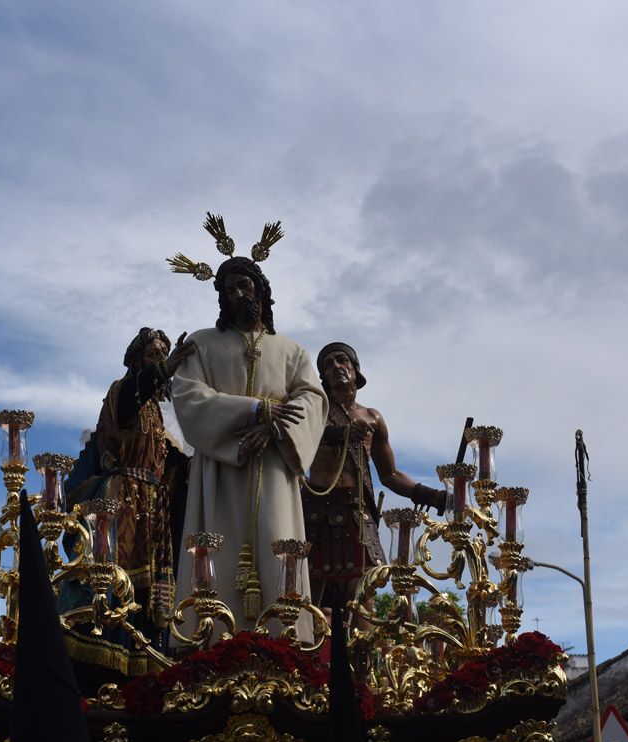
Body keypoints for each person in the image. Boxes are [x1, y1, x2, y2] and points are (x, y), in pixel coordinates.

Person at [172, 257, 327, 630]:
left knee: (279, 550)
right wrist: (257, 410)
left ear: (261, 288)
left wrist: (275, 429)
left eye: (245, 285)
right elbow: (190, 396)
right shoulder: (201, 344)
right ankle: (212, 641)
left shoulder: (292, 351)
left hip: (274, 466)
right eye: (231, 290)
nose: (240, 294)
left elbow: (313, 399)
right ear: (223, 299)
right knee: (215, 557)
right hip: (223, 466)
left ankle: (284, 642)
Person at [60, 327, 194, 676]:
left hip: (151, 504)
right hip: (122, 500)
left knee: (149, 593)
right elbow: (132, 397)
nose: (161, 359)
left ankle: (144, 658)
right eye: (154, 354)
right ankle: (106, 655)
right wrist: (166, 369)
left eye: (164, 353)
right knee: (115, 579)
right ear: (136, 360)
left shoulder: (159, 412)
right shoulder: (123, 392)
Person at [303, 342, 446, 609]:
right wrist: (343, 434)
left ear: (355, 369)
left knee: (363, 596)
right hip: (316, 511)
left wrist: (434, 496)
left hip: (358, 514)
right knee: (308, 601)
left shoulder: (373, 417)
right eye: (328, 364)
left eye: (341, 360)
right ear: (323, 377)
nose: (336, 367)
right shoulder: (314, 408)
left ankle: (363, 651)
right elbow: (301, 436)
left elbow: (390, 474)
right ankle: (304, 650)